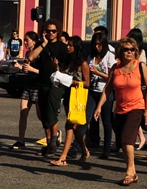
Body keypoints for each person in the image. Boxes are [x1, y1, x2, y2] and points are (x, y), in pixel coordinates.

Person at [93, 37, 147, 186]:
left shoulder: (140, 66)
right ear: (120, 51)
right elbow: (108, 89)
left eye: (132, 49)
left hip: (136, 107)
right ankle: (132, 171)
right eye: (126, 49)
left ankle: (130, 172)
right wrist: (99, 106)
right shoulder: (116, 68)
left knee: (127, 140)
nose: (130, 52)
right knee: (122, 143)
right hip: (119, 110)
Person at [51, 36, 92, 166]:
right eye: (67, 45)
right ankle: (85, 150)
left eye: (70, 45)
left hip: (78, 96)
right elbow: (63, 75)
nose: (68, 47)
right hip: (69, 94)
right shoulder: (68, 60)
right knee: (74, 127)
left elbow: (87, 83)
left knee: (70, 124)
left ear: (77, 47)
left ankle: (63, 158)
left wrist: (73, 82)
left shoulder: (83, 63)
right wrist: (57, 70)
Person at [34, 19, 68, 158]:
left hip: (56, 85)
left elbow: (66, 68)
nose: (51, 33)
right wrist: (43, 44)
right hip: (42, 83)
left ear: (58, 32)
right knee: (43, 116)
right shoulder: (42, 45)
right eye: (48, 31)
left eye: (53, 31)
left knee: (51, 114)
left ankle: (54, 141)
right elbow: (31, 57)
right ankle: (49, 143)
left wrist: (57, 68)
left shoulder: (61, 47)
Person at [86, 31, 116, 158]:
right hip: (93, 91)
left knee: (106, 121)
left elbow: (111, 77)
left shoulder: (110, 56)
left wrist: (97, 73)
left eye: (99, 44)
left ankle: (107, 149)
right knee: (89, 118)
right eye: (95, 44)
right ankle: (86, 143)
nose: (97, 47)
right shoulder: (91, 57)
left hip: (106, 92)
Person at [11, 31, 42, 150]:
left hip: (38, 87)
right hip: (29, 86)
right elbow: (26, 70)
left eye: (27, 40)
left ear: (34, 41)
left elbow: (43, 72)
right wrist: (20, 67)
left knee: (41, 116)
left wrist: (31, 69)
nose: (24, 42)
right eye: (24, 40)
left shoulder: (40, 54)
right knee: (23, 113)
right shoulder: (28, 52)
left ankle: (52, 136)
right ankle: (21, 140)